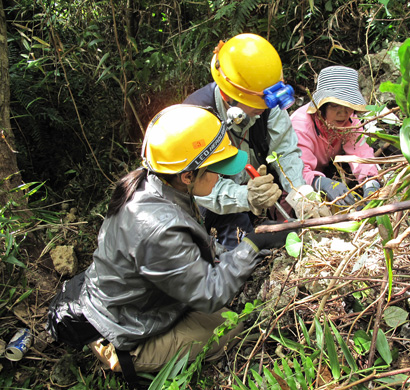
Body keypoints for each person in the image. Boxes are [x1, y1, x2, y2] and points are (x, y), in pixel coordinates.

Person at [76, 105, 293, 377]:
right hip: (126, 335)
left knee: (229, 315)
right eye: (216, 169)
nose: (221, 176)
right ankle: (133, 368)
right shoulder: (158, 227)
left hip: (139, 308)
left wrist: (246, 246)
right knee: (236, 329)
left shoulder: (161, 185)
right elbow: (211, 293)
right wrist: (253, 243)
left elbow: (203, 253)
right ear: (187, 175)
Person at [184, 33, 330, 249]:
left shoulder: (267, 104)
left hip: (264, 189)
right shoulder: (195, 119)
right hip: (219, 204)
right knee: (246, 244)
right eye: (256, 105)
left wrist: (300, 193)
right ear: (229, 97)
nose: (263, 110)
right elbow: (199, 188)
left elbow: (285, 151)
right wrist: (247, 197)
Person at [290, 66, 380, 208]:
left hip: (329, 172)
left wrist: (371, 184)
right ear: (321, 106)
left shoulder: (350, 120)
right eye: (335, 106)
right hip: (297, 193)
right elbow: (296, 172)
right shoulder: (301, 126)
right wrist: (323, 183)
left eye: (348, 106)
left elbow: (360, 154)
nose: (343, 113)